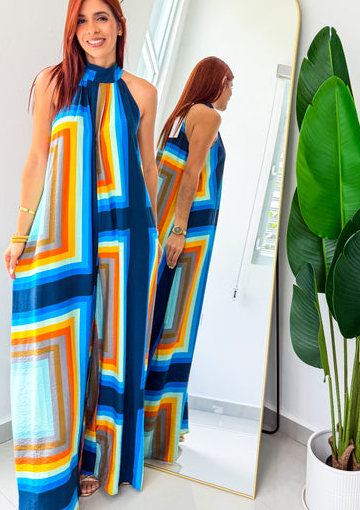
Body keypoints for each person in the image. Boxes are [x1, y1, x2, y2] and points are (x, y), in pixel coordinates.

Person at [4, 0, 159, 508]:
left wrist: (155, 232)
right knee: (61, 344)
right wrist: (20, 234)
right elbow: (37, 161)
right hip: (64, 236)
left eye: (101, 18)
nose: (92, 30)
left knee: (114, 348)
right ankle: (59, 464)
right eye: (82, 20)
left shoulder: (142, 93)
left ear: (119, 23)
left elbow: (146, 168)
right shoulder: (54, 83)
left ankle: (98, 457)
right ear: (72, 29)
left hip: (128, 234)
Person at [143, 56, 233, 463]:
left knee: (161, 320)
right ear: (215, 83)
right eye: (229, 84)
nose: (231, 92)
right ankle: (156, 429)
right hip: (187, 236)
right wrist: (180, 230)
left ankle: (157, 422)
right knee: (174, 327)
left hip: (166, 231)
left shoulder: (181, 116)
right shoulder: (208, 115)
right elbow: (191, 175)